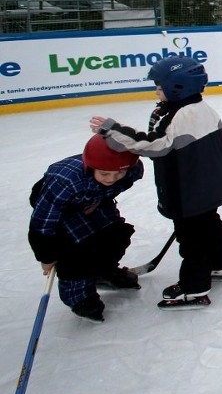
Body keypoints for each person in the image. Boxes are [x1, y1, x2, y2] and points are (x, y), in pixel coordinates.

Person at [90, 56, 222, 310]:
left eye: (159, 86)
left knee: (192, 240)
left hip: (189, 191)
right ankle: (221, 265)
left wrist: (113, 131)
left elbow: (155, 145)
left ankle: (195, 289)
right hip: (210, 186)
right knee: (210, 225)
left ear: (179, 87)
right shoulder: (204, 109)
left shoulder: (179, 116)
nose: (156, 90)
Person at [28, 135, 143, 322]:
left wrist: (98, 201)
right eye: (105, 174)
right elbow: (42, 223)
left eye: (118, 174)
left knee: (116, 234)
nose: (112, 179)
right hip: (62, 207)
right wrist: (46, 256)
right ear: (90, 166)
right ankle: (79, 298)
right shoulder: (65, 181)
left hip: (94, 199)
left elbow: (112, 185)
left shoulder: (132, 171)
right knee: (78, 253)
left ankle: (102, 272)